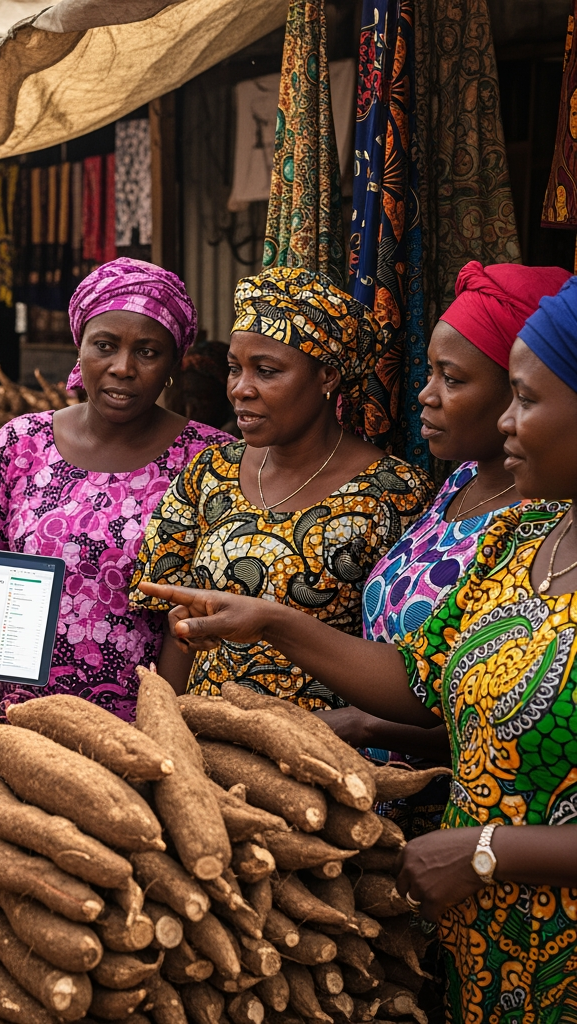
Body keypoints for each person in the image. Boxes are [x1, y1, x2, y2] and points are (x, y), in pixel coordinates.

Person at [138, 277, 577, 1024]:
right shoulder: (520, 541)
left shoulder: (400, 491)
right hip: (486, 938)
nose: (505, 422)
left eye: (525, 400)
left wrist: (487, 849)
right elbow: (417, 686)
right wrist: (273, 620)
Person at [320, 263, 572, 793]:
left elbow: (511, 715)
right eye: (429, 372)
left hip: (457, 813)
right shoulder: (457, 483)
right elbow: (418, 670)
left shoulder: (540, 522)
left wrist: (365, 726)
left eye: (452, 379)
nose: (425, 395)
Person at [130, 266, 433, 707]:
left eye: (266, 371)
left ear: (327, 377)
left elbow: (408, 658)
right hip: (206, 742)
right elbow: (174, 630)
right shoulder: (210, 473)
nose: (240, 390)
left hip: (326, 751)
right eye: (235, 369)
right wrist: (167, 732)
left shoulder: (394, 493)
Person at [0, 258, 232, 723]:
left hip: (150, 735)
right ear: (79, 347)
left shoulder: (211, 461)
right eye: (104, 345)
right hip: (22, 727)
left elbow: (198, 617)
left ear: (172, 364)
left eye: (148, 352)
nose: (123, 368)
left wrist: (162, 741)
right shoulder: (21, 443)